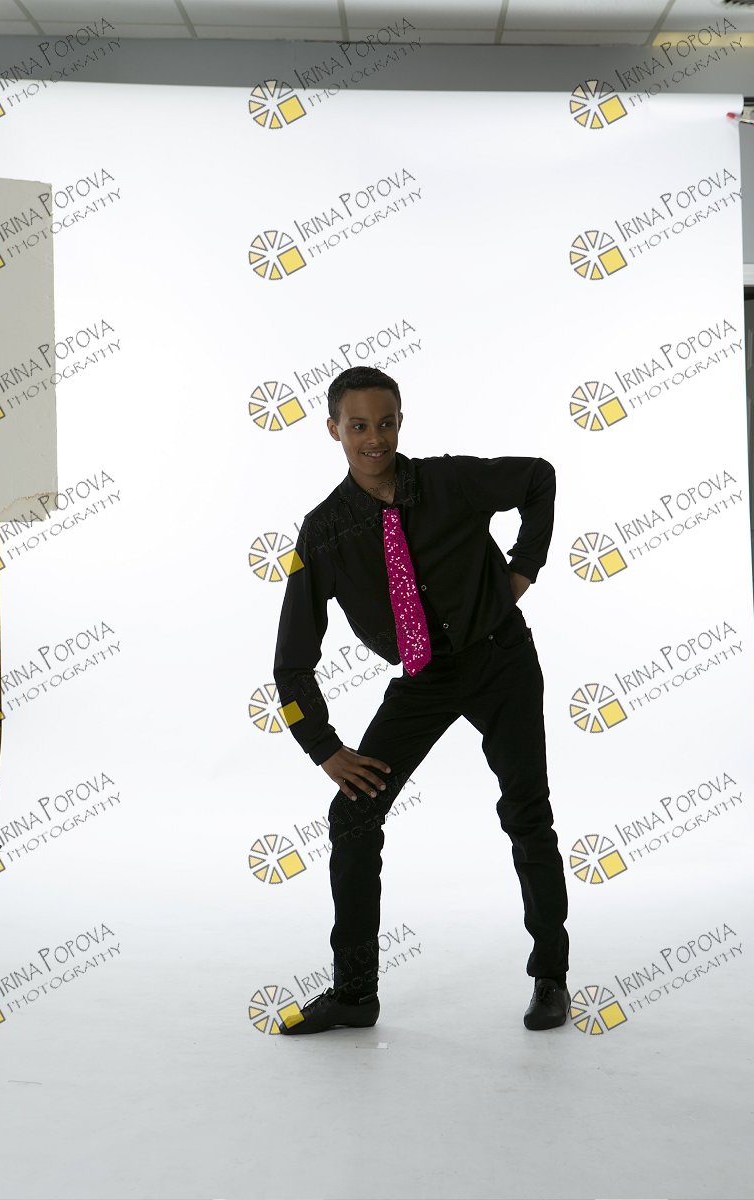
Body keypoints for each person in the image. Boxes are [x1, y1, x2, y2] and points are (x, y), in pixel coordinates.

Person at [272, 365, 570, 1035]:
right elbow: (290, 663)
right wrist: (325, 748)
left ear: (400, 422)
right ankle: (355, 995)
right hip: (424, 678)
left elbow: (538, 477)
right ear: (334, 431)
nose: (374, 439)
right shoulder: (324, 531)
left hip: (500, 659)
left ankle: (551, 976)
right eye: (358, 426)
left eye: (385, 423)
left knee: (527, 811)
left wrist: (523, 568)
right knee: (353, 816)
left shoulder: (449, 481)